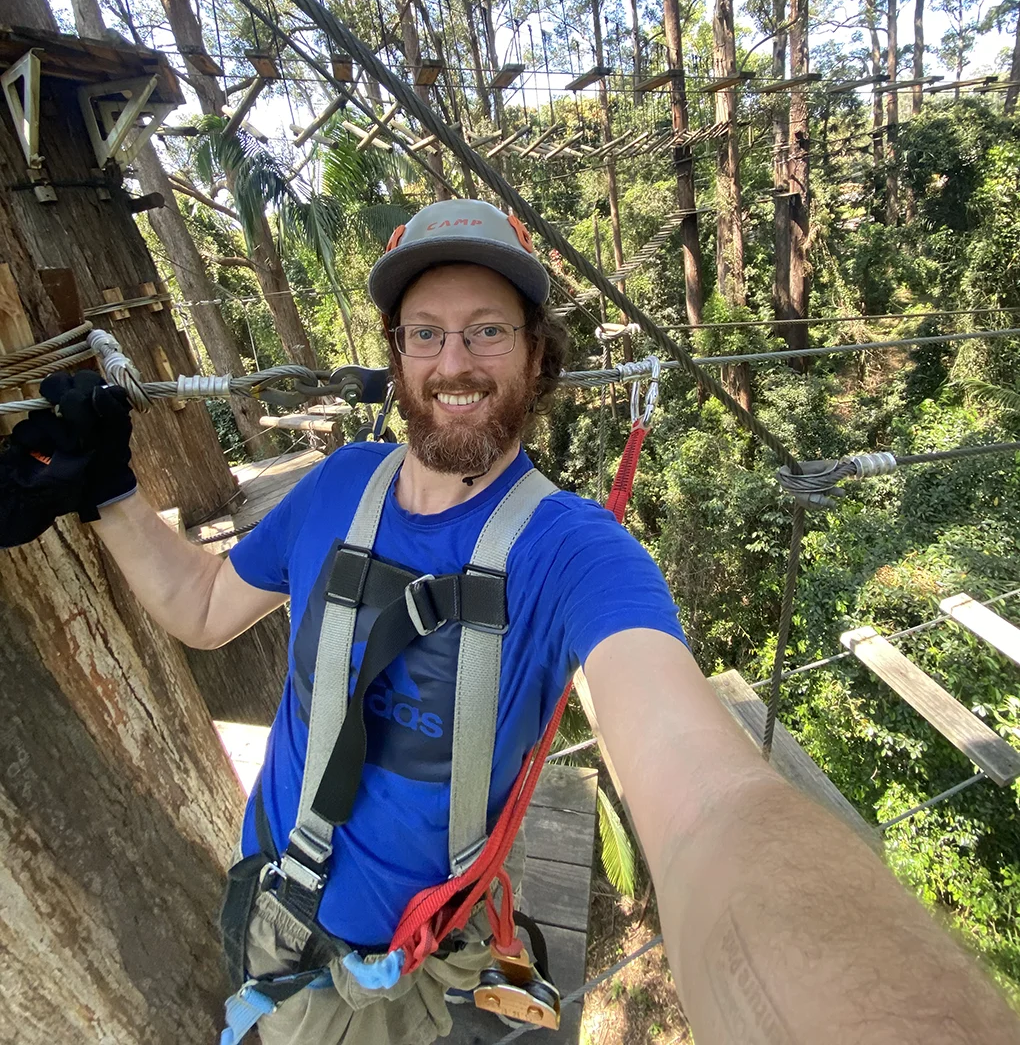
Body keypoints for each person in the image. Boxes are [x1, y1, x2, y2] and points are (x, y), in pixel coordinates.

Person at [3, 197, 1019, 1045]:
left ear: (538, 355)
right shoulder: (336, 486)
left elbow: (707, 803)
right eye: (427, 333)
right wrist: (110, 493)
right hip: (269, 917)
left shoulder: (574, 552)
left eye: (488, 329)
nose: (456, 362)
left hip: (402, 976)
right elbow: (205, 606)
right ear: (397, 359)